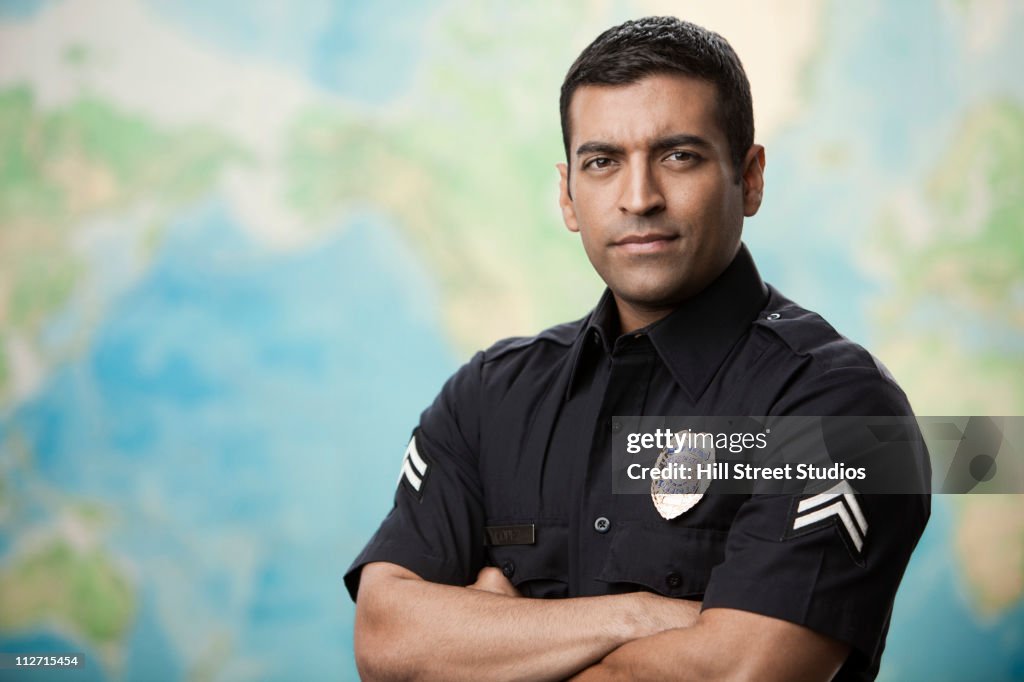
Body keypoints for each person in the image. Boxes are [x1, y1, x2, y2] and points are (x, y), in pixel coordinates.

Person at [345, 16, 930, 681]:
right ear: (568, 194)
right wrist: (638, 616)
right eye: (602, 162)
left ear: (752, 176)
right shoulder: (488, 398)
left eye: (679, 155)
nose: (639, 198)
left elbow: (737, 673)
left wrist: (484, 646)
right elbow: (386, 639)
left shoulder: (843, 413)